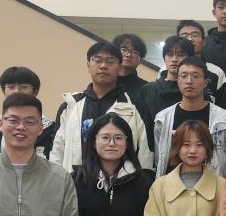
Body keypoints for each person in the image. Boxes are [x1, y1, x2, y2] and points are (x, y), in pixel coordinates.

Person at [50, 41, 154, 171]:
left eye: (110, 61)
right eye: (97, 61)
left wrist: (141, 179)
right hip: (74, 180)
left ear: (119, 67)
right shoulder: (70, 106)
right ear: (88, 65)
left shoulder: (135, 106)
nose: (103, 66)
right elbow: (57, 150)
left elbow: (145, 152)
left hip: (122, 180)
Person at [151, 56, 226, 177]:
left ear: (206, 82)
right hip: (172, 184)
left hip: (211, 183)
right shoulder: (163, 119)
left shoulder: (222, 119)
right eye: (184, 76)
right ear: (178, 80)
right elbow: (160, 159)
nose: (189, 81)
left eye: (195, 76)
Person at [132, 36, 201, 152]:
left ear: (190, 58)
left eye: (180, 54)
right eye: (169, 54)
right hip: (153, 153)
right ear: (164, 57)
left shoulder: (195, 90)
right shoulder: (148, 90)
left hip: (190, 152)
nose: (174, 59)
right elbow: (140, 128)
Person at [0, 66, 57, 163]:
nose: (16, 91)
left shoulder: (52, 132)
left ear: (35, 92)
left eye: (24, 87)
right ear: (4, 91)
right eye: (11, 87)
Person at [177, 20, 226, 92]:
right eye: (184, 36)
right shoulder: (168, 70)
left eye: (195, 35)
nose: (190, 39)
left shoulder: (216, 72)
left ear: (203, 42)